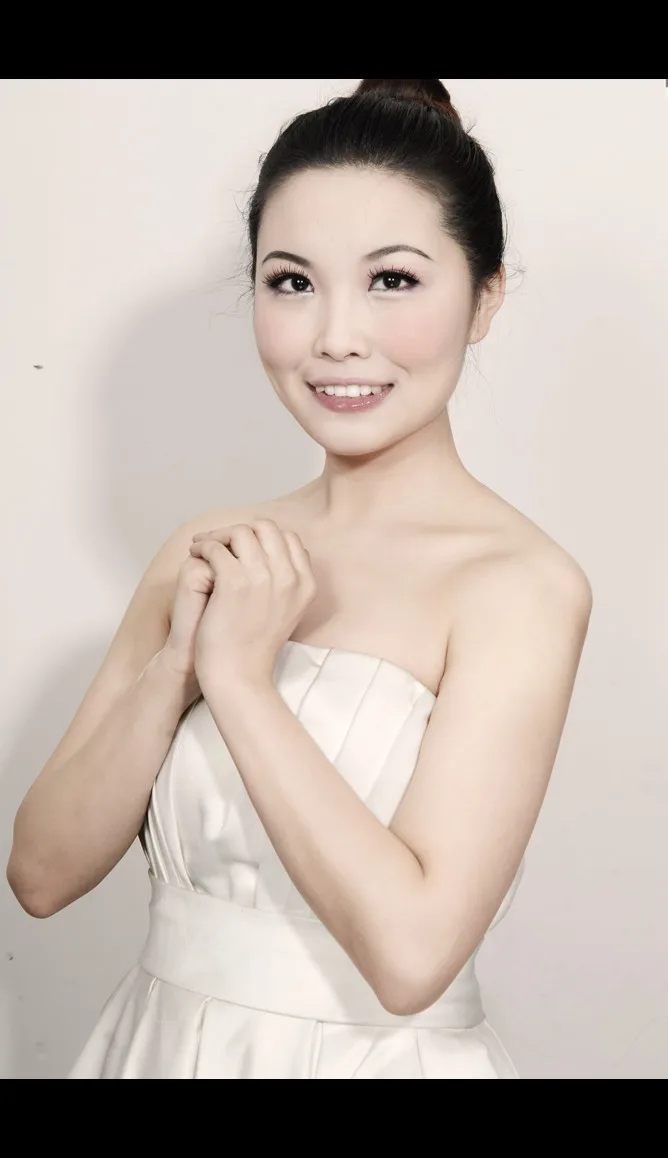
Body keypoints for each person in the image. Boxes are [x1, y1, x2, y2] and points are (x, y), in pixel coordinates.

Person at [7, 77, 593, 1079]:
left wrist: (239, 682)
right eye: (291, 283)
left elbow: (411, 959)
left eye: (392, 280)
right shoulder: (208, 549)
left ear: (485, 297)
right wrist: (176, 666)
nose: (335, 336)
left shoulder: (521, 586)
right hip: (156, 1045)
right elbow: (40, 874)